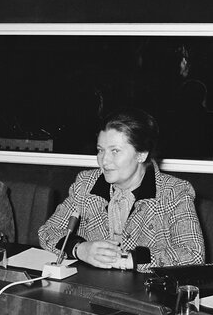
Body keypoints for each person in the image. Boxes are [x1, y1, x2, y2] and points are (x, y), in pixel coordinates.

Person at [38, 107, 204, 272]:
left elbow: (193, 254)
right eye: (100, 150)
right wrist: (80, 249)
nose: (104, 160)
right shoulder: (86, 184)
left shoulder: (174, 192)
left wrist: (129, 259)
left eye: (115, 151)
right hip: (92, 287)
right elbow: (48, 231)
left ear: (141, 154)